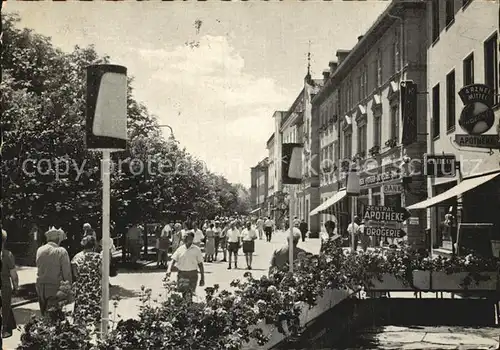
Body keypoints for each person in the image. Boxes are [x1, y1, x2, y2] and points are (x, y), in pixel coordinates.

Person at [36, 227, 72, 315]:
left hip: (41, 287)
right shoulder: (61, 251)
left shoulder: (40, 250)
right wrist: (68, 289)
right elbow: (66, 273)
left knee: (44, 316)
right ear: (58, 239)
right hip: (55, 288)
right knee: (55, 318)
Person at [71, 236, 102, 326]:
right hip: (95, 288)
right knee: (95, 313)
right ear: (93, 245)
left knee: (81, 313)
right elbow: (101, 272)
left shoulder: (77, 257)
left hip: (82, 288)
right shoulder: (98, 257)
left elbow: (75, 273)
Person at [168, 231, 205, 299]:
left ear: (191, 238)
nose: (184, 238)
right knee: (184, 294)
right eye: (184, 236)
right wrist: (169, 270)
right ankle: (186, 307)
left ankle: (189, 307)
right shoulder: (180, 249)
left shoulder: (196, 249)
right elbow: (173, 260)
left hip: (192, 275)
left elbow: (200, 264)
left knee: (190, 294)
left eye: (186, 237)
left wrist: (202, 278)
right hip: (182, 274)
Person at [2, 229, 19, 339]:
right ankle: (5, 330)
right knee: (5, 309)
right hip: (4, 288)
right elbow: (14, 275)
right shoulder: (8, 255)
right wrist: (16, 287)